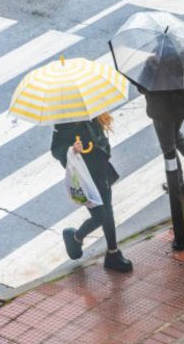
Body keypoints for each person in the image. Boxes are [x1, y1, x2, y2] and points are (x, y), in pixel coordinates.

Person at [50, 113, 133, 273]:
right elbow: (56, 149)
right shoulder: (62, 123)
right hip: (83, 176)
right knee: (101, 215)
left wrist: (98, 147)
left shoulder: (92, 115)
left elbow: (102, 140)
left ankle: (113, 253)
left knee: (107, 211)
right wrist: (72, 150)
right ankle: (75, 237)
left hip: (100, 170)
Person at [137, 43, 184, 196]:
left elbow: (142, 87)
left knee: (168, 147)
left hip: (163, 112)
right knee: (175, 135)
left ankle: (177, 183)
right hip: (183, 107)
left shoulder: (154, 63)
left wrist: (150, 69)